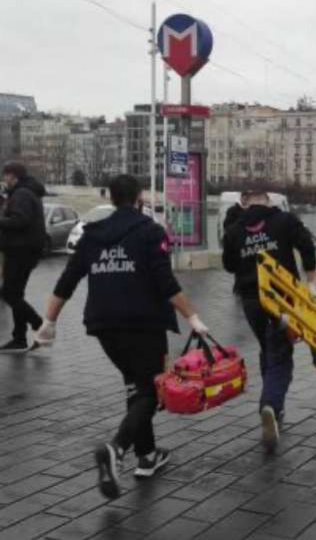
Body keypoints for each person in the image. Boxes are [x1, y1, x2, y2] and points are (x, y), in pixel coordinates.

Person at [33, 175, 209, 499]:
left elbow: (67, 281)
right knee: (152, 392)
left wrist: (49, 322)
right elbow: (165, 281)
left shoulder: (92, 235)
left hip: (103, 326)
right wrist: (193, 318)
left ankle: (148, 456)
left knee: (136, 385)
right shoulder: (149, 231)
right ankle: (117, 448)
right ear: (139, 196)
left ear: (111, 197)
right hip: (143, 324)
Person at [222, 190, 316, 452]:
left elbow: (229, 265)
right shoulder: (284, 220)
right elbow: (306, 243)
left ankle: (274, 405)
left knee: (269, 348)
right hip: (282, 300)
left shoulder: (234, 230)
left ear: (245, 203)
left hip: (251, 302)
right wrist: (311, 282)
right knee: (281, 354)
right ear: (268, 201)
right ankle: (271, 406)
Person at [0, 162, 46, 351]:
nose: (4, 179)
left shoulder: (22, 194)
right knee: (16, 294)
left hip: (21, 251)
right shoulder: (25, 192)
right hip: (24, 250)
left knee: (8, 293)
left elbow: (20, 220)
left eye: (6, 176)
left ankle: (39, 325)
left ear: (13, 176)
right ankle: (19, 338)